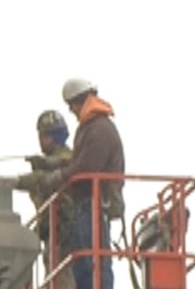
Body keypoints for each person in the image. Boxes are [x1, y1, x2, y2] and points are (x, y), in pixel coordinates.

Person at [43, 78, 125, 289]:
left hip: (95, 204)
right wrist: (55, 163)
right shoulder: (91, 127)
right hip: (88, 205)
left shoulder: (99, 129)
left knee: (93, 264)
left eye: (72, 105)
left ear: (80, 100)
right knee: (84, 262)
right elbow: (80, 161)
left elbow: (87, 167)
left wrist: (61, 176)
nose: (71, 110)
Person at [8, 110, 77, 289]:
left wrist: (10, 181)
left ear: (55, 137)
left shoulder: (67, 158)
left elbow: (41, 178)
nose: (42, 140)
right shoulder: (52, 162)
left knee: (60, 271)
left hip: (65, 228)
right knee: (52, 267)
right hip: (52, 230)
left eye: (45, 135)